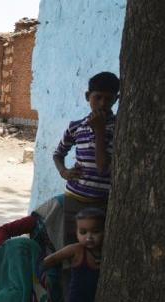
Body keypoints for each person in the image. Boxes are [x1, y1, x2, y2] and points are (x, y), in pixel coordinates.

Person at [53, 71, 119, 245]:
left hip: (102, 204)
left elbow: (102, 168)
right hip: (74, 199)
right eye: (98, 97)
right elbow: (58, 154)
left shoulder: (120, 127)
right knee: (70, 246)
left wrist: (99, 131)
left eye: (109, 99)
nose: (103, 103)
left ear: (116, 99)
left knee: (96, 250)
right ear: (87, 96)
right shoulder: (76, 127)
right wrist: (64, 171)